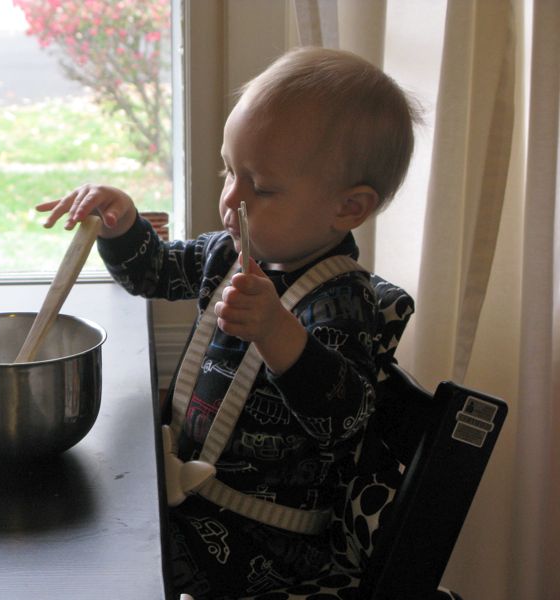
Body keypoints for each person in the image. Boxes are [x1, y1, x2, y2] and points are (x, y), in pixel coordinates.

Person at [37, 47, 419, 600]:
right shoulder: (227, 253)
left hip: (266, 539)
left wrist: (276, 330)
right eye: (227, 170)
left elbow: (346, 417)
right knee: (75, 518)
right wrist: (122, 227)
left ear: (348, 209)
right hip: (190, 498)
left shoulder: (342, 301)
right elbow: (156, 274)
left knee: (113, 559)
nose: (230, 199)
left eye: (260, 187)